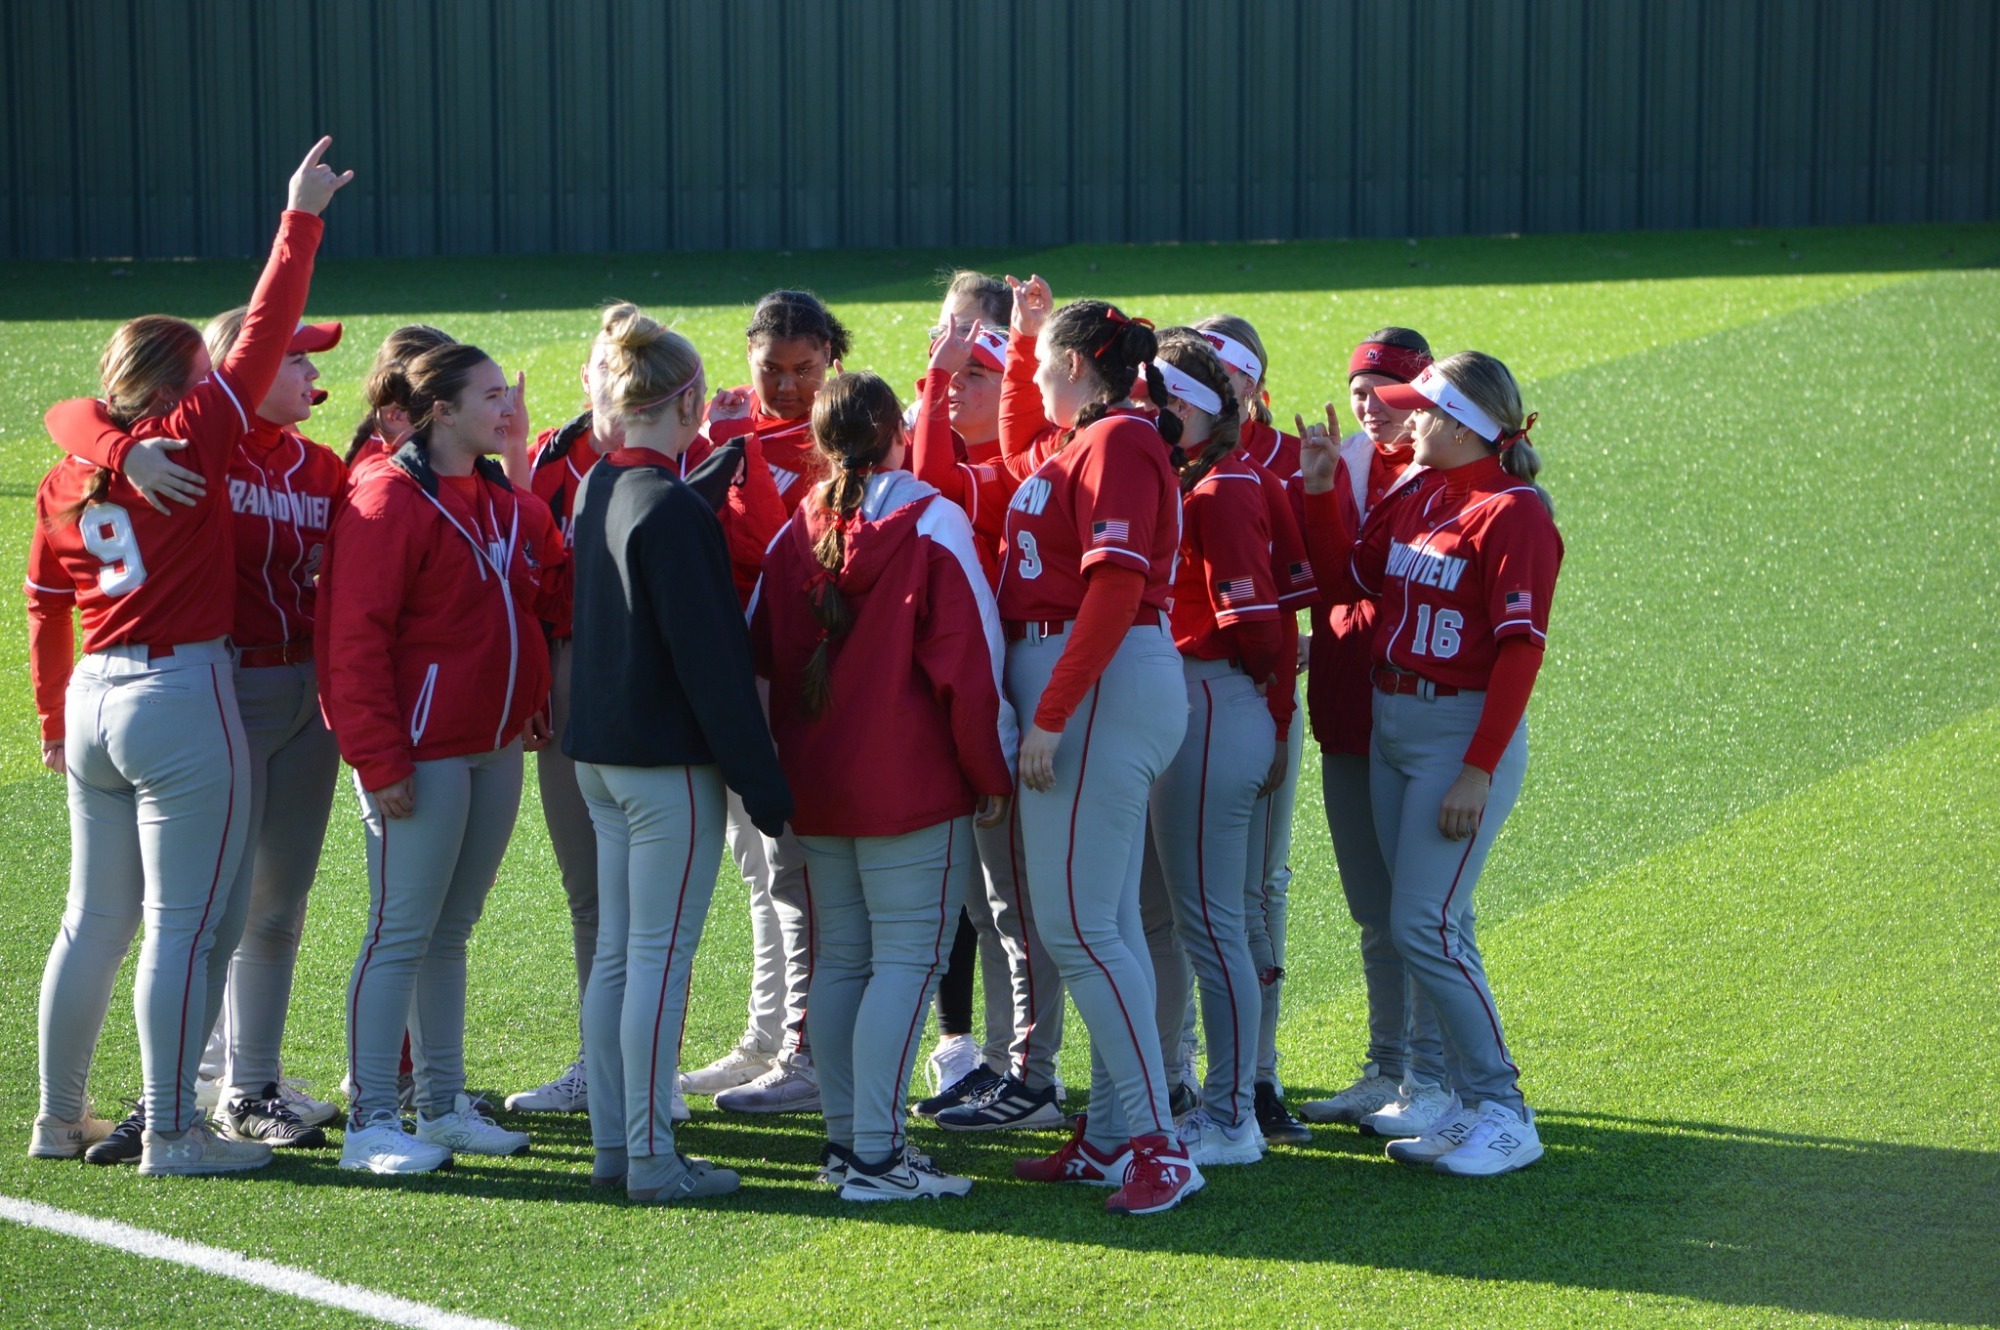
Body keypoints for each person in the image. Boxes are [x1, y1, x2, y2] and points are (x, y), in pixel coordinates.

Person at [26, 138, 349, 1176]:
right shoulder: (202, 437)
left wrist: (41, 719)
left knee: (90, 922)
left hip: (90, 698)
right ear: (181, 385)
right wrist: (298, 216)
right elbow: (262, 323)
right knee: (187, 924)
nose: (229, 377)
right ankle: (173, 1130)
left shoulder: (66, 470)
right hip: (183, 691)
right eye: (206, 375)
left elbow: (41, 601)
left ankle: (54, 1119)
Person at [752, 371, 1015, 1199]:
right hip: (908, 787)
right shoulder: (933, 519)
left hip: (819, 785)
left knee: (844, 963)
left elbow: (760, 653)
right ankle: (876, 1155)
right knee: (906, 960)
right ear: (899, 430)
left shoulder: (797, 525)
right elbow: (970, 670)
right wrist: (990, 772)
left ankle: (848, 1145)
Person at [1298, 351, 1561, 1176]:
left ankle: (1505, 1107)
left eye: (1421, 410)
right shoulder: (1417, 490)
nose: (1405, 419)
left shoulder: (1514, 512)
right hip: (1393, 725)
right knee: (1429, 926)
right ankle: (1456, 1099)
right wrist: (1317, 494)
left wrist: (1478, 769)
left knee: (1424, 924)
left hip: (1458, 734)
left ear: (1462, 424)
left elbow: (1521, 652)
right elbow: (1348, 578)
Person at [320, 341, 568, 1174]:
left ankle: (441, 1104)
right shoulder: (386, 496)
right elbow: (351, 641)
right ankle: (371, 1124)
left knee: (449, 931)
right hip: (419, 754)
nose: (509, 409)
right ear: (443, 412)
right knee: (400, 932)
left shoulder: (493, 490)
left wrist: (529, 696)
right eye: (492, 397)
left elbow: (529, 596)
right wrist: (378, 757)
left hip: (492, 744)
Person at [564, 306, 791, 1203]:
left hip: (602, 762)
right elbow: (717, 672)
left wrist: (702, 488)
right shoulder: (672, 509)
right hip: (665, 771)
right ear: (692, 396)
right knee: (655, 958)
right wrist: (768, 791)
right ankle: (653, 1157)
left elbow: (642, 517)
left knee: (620, 957)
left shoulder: (598, 484)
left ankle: (620, 1147)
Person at [994, 280, 1204, 1215]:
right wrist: (1012, 342)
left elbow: (1114, 589)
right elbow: (1012, 450)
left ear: (1077, 365)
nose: (1036, 378)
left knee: (1079, 927)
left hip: (1098, 682)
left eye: (1043, 362)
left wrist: (1051, 715)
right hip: (1096, 680)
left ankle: (1159, 1145)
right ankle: (1116, 1133)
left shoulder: (1117, 437)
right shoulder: (1092, 439)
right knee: (1102, 924)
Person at [683, 289, 850, 1116]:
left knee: (799, 871)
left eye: (805, 370)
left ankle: (806, 1050)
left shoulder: (848, 439)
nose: (788, 386)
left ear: (833, 364)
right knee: (761, 870)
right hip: (732, 680)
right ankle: (765, 1040)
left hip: (813, 680)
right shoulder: (718, 435)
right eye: (771, 370)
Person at [1136, 329, 1291, 1167]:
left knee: (1211, 923)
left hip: (1214, 697)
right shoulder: (1195, 475)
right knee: (1167, 918)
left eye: (1152, 397)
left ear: (1186, 408)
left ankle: (1232, 1115)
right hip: (1193, 700)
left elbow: (1261, 626)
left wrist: (1272, 715)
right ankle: (1180, 1089)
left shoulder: (1224, 488)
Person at [1295, 328, 1440, 1130]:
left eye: (1385, 389)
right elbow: (1327, 579)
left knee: (1424, 910)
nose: (1368, 403)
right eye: (1360, 388)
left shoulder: (1444, 472)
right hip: (1348, 710)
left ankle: (1430, 1076)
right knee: (1374, 909)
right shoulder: (1343, 459)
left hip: (1417, 718)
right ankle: (1387, 1069)